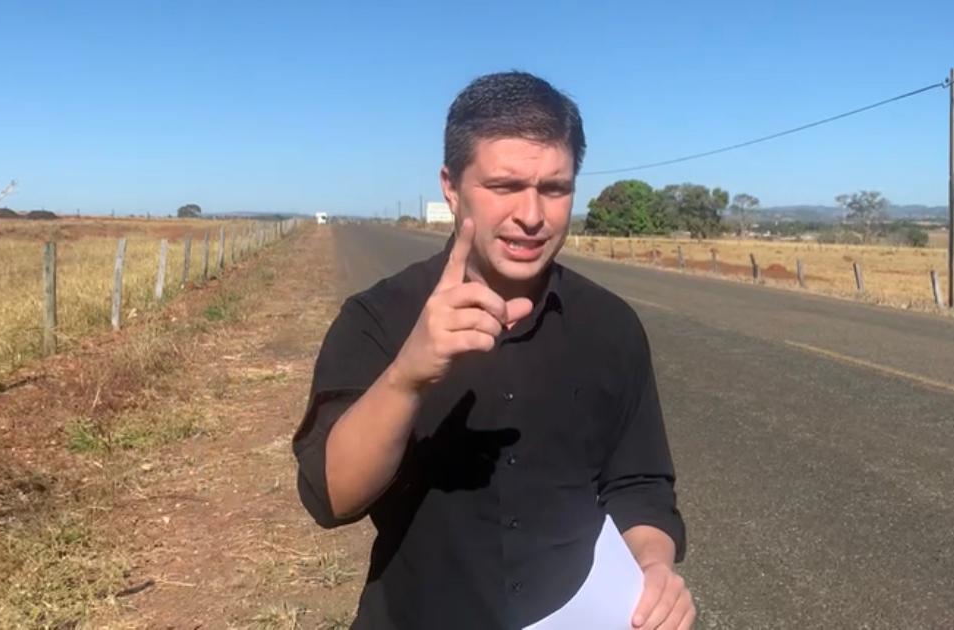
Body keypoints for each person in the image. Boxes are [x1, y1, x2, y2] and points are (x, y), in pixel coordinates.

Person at [293, 71, 693, 629]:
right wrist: (407, 377)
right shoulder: (378, 319)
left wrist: (652, 567)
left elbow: (640, 485)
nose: (532, 215)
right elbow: (331, 497)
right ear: (451, 187)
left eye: (555, 189)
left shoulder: (612, 327)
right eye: (504, 186)